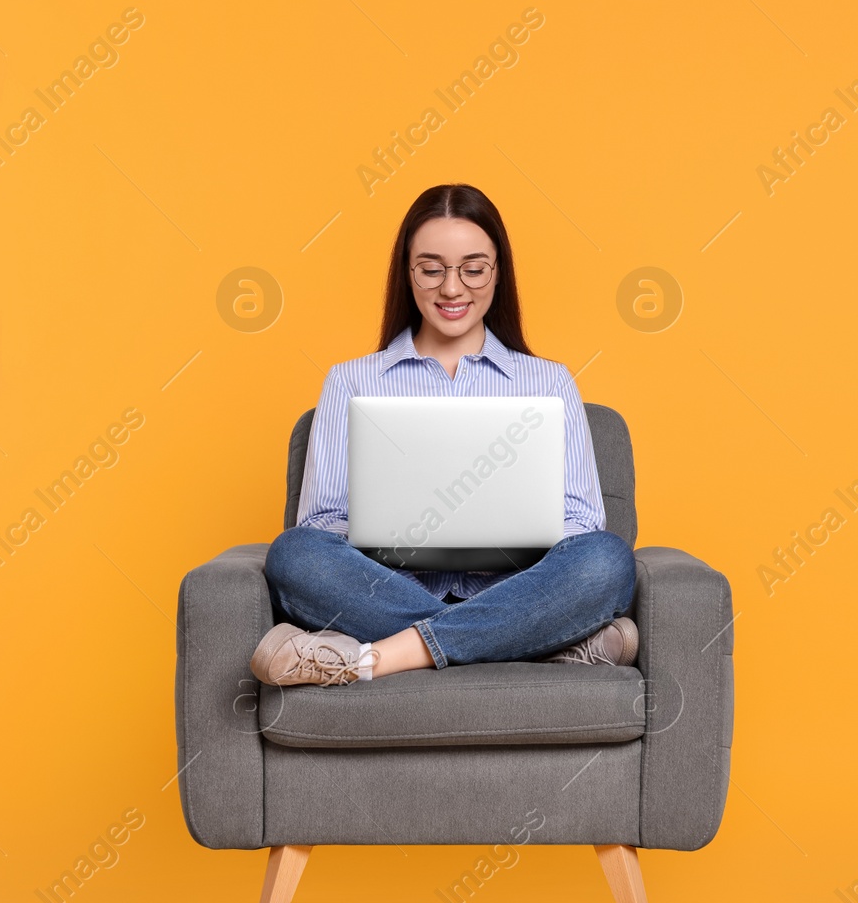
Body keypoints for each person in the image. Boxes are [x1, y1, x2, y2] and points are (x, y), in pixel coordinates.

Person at [250, 184, 637, 687]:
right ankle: (530, 643)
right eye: (432, 268)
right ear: (407, 273)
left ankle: (375, 659)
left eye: (473, 269)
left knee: (605, 560)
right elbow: (320, 522)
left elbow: (583, 519)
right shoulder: (350, 380)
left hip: (517, 585)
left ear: (498, 273)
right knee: (294, 554)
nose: (452, 289)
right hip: (393, 586)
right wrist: (386, 529)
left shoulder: (549, 381)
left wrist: (511, 534)